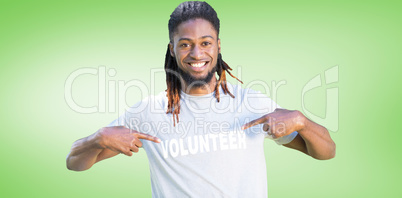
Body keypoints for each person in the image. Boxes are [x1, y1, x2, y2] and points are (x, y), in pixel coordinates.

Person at [66, 1, 336, 197]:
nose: (197, 53)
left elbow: (326, 152)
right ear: (172, 49)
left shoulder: (251, 104)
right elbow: (75, 163)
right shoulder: (148, 112)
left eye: (206, 42)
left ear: (218, 46)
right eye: (185, 44)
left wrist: (301, 121)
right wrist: (98, 138)